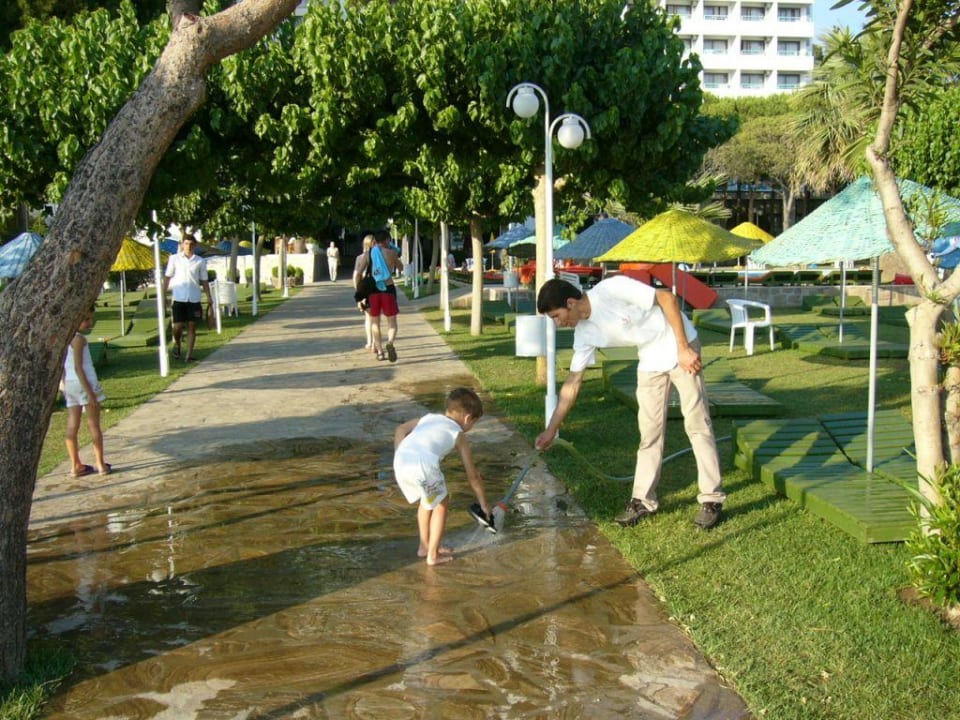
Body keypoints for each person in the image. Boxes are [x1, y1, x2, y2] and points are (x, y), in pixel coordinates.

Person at [533, 275, 726, 529]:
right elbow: (572, 384)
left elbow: (666, 298)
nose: (557, 324)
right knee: (649, 433)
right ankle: (643, 501)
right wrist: (551, 430)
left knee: (697, 424)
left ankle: (711, 499)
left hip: (679, 343)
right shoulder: (584, 333)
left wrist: (683, 348)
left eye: (556, 316)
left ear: (570, 302)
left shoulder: (612, 289)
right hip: (649, 357)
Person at [393, 388, 491, 565]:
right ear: (468, 418)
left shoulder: (429, 418)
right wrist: (484, 504)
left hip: (400, 460)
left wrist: (402, 454)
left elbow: (401, 429)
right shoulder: (458, 434)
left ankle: (424, 546)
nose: (471, 428)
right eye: (474, 423)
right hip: (423, 464)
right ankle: (433, 555)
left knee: (427, 501)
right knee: (441, 503)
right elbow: (473, 476)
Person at [61, 309, 110, 477]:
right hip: (85, 383)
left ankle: (75, 465)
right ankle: (100, 464)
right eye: (86, 319)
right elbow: (78, 367)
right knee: (93, 424)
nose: (90, 323)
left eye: (90, 319)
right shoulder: (79, 339)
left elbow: (63, 367)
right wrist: (90, 393)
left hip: (70, 384)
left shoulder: (63, 339)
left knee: (72, 424)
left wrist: (63, 385)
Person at [162, 234, 212, 362]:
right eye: (186, 243)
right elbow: (167, 277)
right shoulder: (174, 259)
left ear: (195, 245)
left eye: (191, 244)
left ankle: (188, 355)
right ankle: (177, 343)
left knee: (192, 326)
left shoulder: (200, 261)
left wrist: (209, 297)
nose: (188, 246)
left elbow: (204, 280)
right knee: (177, 326)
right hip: (179, 298)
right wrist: (163, 295)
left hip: (194, 298)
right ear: (182, 244)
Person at [355, 230, 403, 362]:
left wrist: (359, 292)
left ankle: (380, 352)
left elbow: (358, 273)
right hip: (388, 290)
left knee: (375, 322)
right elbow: (401, 268)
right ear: (387, 240)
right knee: (392, 322)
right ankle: (390, 343)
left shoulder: (369, 253)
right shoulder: (391, 253)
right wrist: (394, 255)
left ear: (376, 240)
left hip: (373, 291)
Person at [353, 234, 375, 353]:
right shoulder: (375, 257)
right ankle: (373, 342)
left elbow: (356, 276)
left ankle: (370, 341)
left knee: (368, 318)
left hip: (364, 289)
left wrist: (358, 293)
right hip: (372, 288)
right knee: (374, 317)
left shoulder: (359, 258)